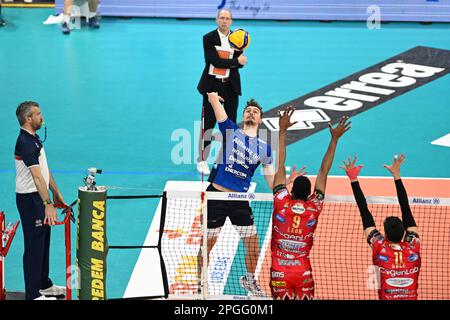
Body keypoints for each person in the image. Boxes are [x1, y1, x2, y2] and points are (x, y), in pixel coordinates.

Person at [201, 92, 301, 297]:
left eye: (255, 112)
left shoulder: (265, 148)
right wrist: (212, 96)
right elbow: (216, 107)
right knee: (207, 245)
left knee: (253, 247)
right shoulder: (230, 131)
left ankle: (249, 280)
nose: (251, 113)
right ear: (244, 116)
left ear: (260, 119)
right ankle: (201, 282)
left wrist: (286, 182)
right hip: (216, 197)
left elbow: (271, 180)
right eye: (248, 111)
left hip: (239, 201)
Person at [270, 106, 351, 300]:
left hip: (279, 271)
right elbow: (324, 171)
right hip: (303, 273)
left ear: (291, 190)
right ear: (309, 194)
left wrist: (282, 131)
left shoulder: (281, 201)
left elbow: (280, 165)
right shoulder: (314, 207)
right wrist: (334, 139)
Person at [340, 154, 421, 300]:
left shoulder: (379, 246)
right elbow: (406, 208)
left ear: (385, 234)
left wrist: (353, 179)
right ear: (405, 232)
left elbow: (364, 211)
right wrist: (397, 175)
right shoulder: (413, 245)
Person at [15, 101, 67, 300]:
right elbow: (36, 177)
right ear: (28, 118)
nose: (41, 117)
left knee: (44, 239)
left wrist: (56, 193)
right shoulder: (25, 143)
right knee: (34, 245)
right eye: (37, 114)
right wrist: (47, 204)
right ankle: (33, 294)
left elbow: (44, 170)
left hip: (40, 195)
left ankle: (44, 285)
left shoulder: (34, 138)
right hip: (30, 199)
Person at [196, 9, 248, 175]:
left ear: (231, 21)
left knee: (230, 125)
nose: (224, 21)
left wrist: (237, 62)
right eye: (221, 18)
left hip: (230, 88)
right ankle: (203, 160)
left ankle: (227, 159)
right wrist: (235, 61)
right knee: (208, 125)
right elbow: (213, 60)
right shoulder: (208, 38)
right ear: (216, 20)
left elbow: (241, 63)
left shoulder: (238, 39)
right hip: (212, 87)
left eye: (227, 18)